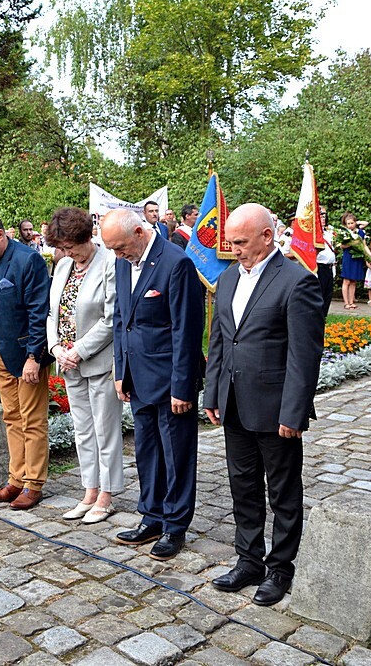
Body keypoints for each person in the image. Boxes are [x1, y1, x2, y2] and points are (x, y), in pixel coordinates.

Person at [203, 203, 325, 607]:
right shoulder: (227, 278)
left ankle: (281, 568)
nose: (233, 249)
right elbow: (220, 341)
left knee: (284, 491)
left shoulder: (296, 281)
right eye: (230, 242)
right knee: (243, 487)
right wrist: (213, 393)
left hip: (275, 410)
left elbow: (303, 356)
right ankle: (248, 559)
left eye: (240, 242)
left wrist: (294, 412)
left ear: (266, 236)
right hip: (234, 404)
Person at [102, 208, 203, 560]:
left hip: (170, 379)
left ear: (140, 232)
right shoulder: (121, 262)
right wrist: (120, 370)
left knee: (176, 455)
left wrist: (182, 386)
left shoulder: (176, 263)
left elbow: (186, 331)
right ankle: (152, 515)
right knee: (146, 451)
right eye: (112, 249)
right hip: (137, 376)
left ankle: (175, 525)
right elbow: (120, 319)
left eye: (120, 247)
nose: (117, 255)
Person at [45, 207, 123, 525]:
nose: (65, 252)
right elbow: (52, 312)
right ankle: (89, 490)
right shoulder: (63, 266)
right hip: (68, 363)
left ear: (85, 237)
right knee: (82, 430)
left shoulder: (109, 263)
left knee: (105, 430)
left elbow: (111, 317)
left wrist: (79, 349)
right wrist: (55, 348)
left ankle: (107, 495)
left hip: (99, 361)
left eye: (69, 246)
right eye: (61, 247)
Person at [0, 212, 53, 510]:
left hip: (25, 354)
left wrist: (34, 356)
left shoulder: (28, 260)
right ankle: (15, 479)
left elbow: (38, 312)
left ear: (1, 235)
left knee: (32, 420)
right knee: (11, 417)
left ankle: (34, 484)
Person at [339, 212, 366, 310]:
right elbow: (341, 246)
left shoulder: (360, 232)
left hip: (357, 257)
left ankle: (351, 302)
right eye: (348, 223)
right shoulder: (344, 233)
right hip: (348, 257)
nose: (350, 225)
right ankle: (346, 303)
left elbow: (364, 244)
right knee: (346, 280)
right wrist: (351, 243)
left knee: (353, 281)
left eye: (352, 223)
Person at [315, 207, 336, 316]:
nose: (323, 218)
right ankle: (318, 316)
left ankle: (324, 316)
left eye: (324, 216)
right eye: (321, 215)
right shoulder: (314, 233)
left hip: (329, 267)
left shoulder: (328, 232)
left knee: (328, 294)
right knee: (320, 294)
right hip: (320, 267)